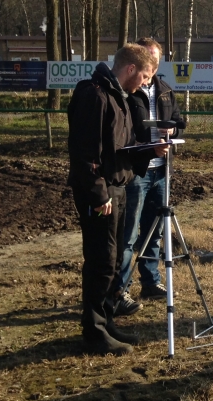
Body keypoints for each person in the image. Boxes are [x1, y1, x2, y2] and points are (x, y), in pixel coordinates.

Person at [67, 44, 156, 355]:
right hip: (101, 194)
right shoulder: (94, 94)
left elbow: (122, 147)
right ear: (130, 69)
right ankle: (94, 333)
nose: (146, 82)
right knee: (101, 262)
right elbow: (85, 152)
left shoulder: (119, 97)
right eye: (144, 76)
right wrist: (98, 193)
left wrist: (151, 150)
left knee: (115, 260)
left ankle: (106, 322)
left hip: (119, 188)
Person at [113, 37, 183, 313]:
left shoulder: (165, 89)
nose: (152, 66)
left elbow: (179, 121)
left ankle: (151, 280)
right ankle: (121, 289)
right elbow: (122, 132)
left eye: (156, 60)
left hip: (161, 171)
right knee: (128, 235)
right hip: (137, 171)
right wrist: (145, 148)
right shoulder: (129, 90)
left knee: (154, 231)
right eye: (148, 60)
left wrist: (173, 132)